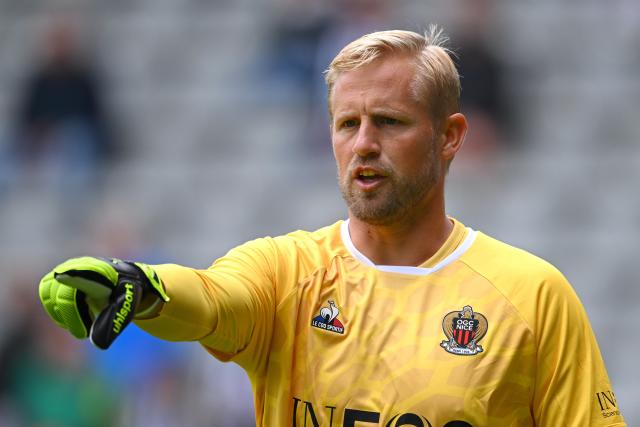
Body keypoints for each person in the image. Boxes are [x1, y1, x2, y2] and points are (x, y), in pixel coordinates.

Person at [37, 27, 625, 427]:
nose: (364, 144)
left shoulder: (532, 295)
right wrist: (146, 288)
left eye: (389, 122)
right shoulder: (286, 271)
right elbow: (212, 299)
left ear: (450, 137)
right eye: (348, 124)